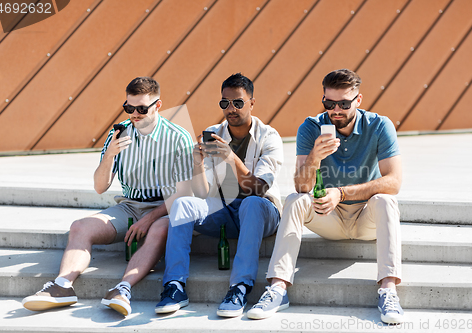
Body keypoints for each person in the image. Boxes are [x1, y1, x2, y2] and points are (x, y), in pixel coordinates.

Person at [22, 77, 194, 316]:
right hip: (129, 207)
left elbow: (185, 193)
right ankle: (62, 286)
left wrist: (150, 217)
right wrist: (110, 155)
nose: (135, 114)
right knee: (80, 227)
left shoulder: (179, 137)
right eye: (129, 108)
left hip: (165, 207)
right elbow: (100, 187)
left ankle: (122, 289)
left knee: (159, 229)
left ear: (158, 105)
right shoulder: (119, 133)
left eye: (142, 108)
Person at [247, 68, 404, 324]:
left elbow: (393, 182)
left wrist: (341, 193)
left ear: (358, 100)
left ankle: (388, 290)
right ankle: (278, 288)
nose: (336, 110)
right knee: (295, 200)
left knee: (386, 199)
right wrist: (314, 158)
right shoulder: (311, 128)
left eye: (343, 103)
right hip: (327, 216)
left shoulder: (378, 125)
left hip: (366, 216)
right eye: (329, 103)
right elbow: (300, 186)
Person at [155, 73, 284, 318]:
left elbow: (257, 188)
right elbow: (203, 193)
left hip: (262, 212)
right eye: (225, 103)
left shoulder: (269, 137)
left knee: (252, 204)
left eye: (238, 102)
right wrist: (197, 163)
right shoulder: (214, 133)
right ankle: (174, 286)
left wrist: (230, 157)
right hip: (225, 211)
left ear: (252, 103)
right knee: (183, 204)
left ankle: (239, 287)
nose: (231, 109)